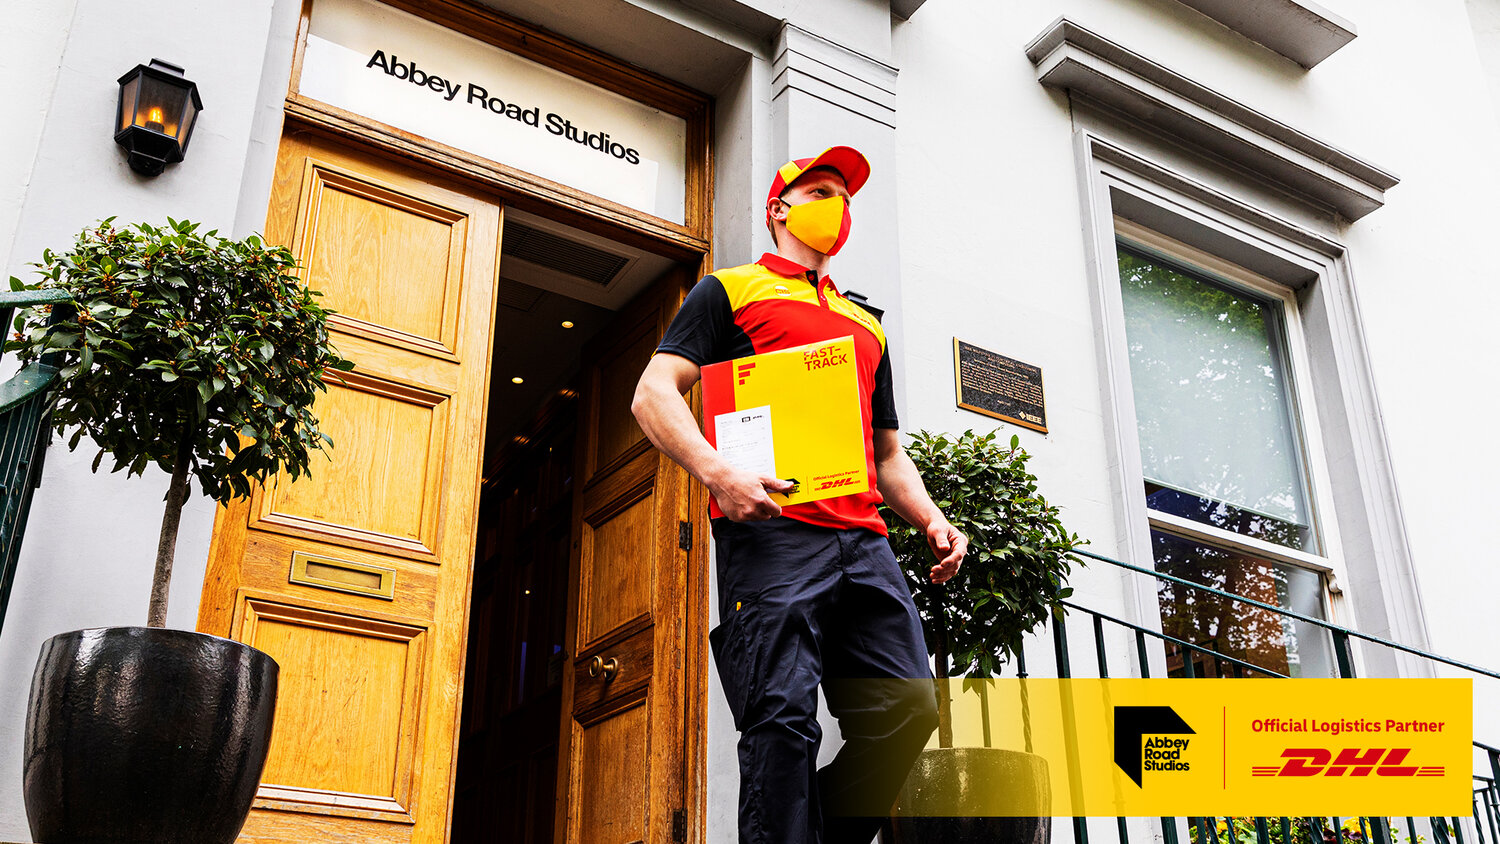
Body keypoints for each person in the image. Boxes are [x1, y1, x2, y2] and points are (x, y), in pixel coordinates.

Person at [631, 146, 967, 844]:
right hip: (774, 536)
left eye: (844, 196)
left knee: (908, 712)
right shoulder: (729, 291)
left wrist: (932, 520)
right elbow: (653, 394)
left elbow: (886, 453)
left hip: (864, 543)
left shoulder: (867, 325)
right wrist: (719, 473)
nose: (836, 206)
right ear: (778, 209)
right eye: (820, 191)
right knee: (781, 721)